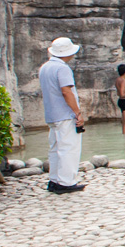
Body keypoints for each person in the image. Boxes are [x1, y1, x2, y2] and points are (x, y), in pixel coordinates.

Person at [39, 37, 87, 194]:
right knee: (68, 148)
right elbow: (66, 91)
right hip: (65, 115)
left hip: (52, 115)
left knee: (55, 148)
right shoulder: (62, 68)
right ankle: (66, 182)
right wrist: (77, 113)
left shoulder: (45, 67)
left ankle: (54, 180)